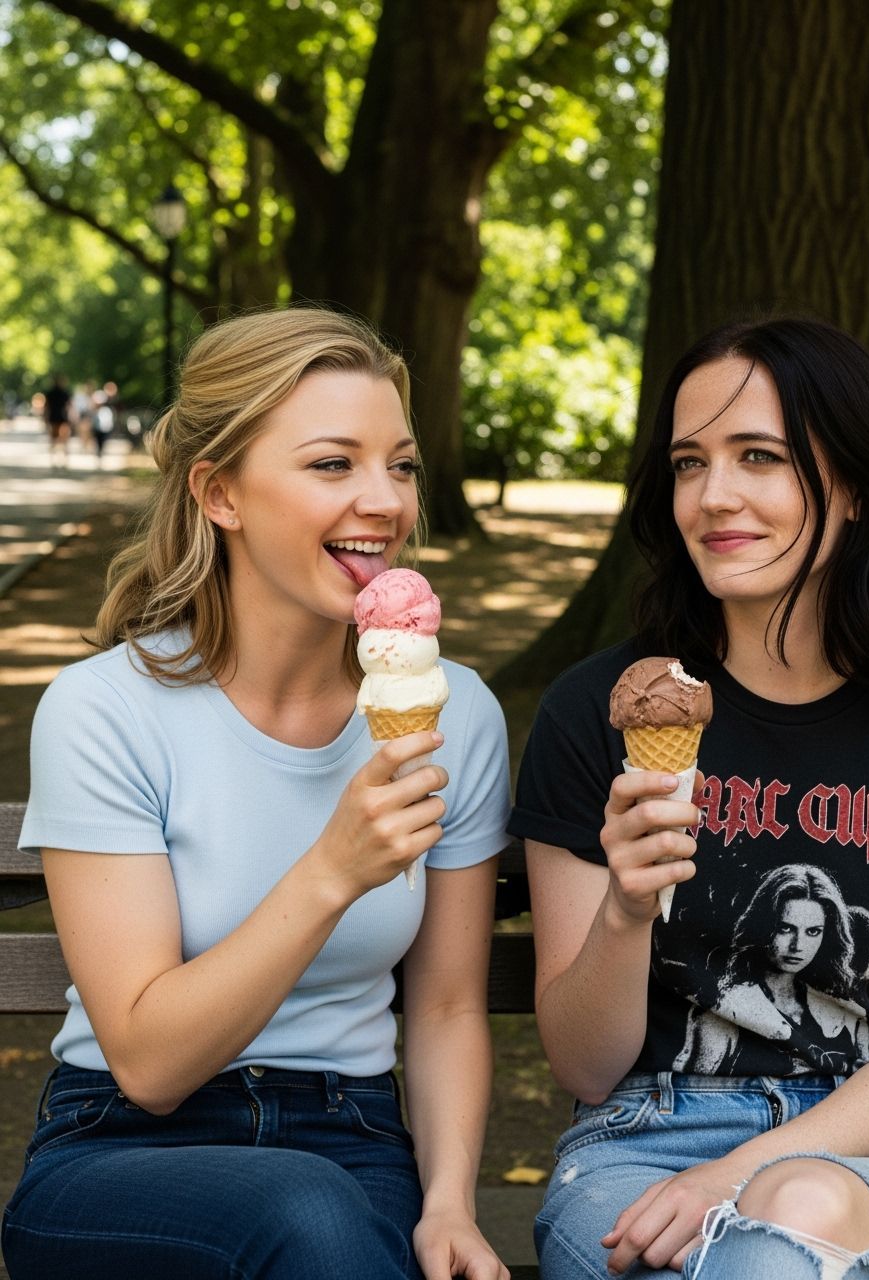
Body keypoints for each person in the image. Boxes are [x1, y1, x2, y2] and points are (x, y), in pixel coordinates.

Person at [2, 307, 512, 1280]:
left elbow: (445, 1004)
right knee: (307, 1213)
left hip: (351, 1130)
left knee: (329, 1220)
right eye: (333, 464)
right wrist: (331, 869)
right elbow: (149, 1062)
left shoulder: (458, 712)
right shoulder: (106, 710)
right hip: (119, 1145)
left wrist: (449, 1200)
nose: (384, 499)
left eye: (400, 465)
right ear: (219, 492)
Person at [508, 316, 869, 1279]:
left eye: (758, 456)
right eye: (689, 463)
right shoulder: (596, 713)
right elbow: (586, 1066)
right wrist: (625, 908)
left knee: (795, 1209)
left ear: (851, 485)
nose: (713, 497)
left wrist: (744, 1172)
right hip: (644, 1139)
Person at [671, 864, 869, 1077]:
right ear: (764, 925)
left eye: (813, 932)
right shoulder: (721, 1010)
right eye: (786, 928)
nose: (798, 945)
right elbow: (697, 1095)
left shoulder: (850, 1021)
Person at [42, 371, 72, 465]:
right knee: (57, 440)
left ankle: (61, 459)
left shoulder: (63, 393)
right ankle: (56, 459)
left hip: (60, 418)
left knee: (61, 440)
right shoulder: (55, 393)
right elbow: (47, 407)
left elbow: (69, 407)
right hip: (57, 418)